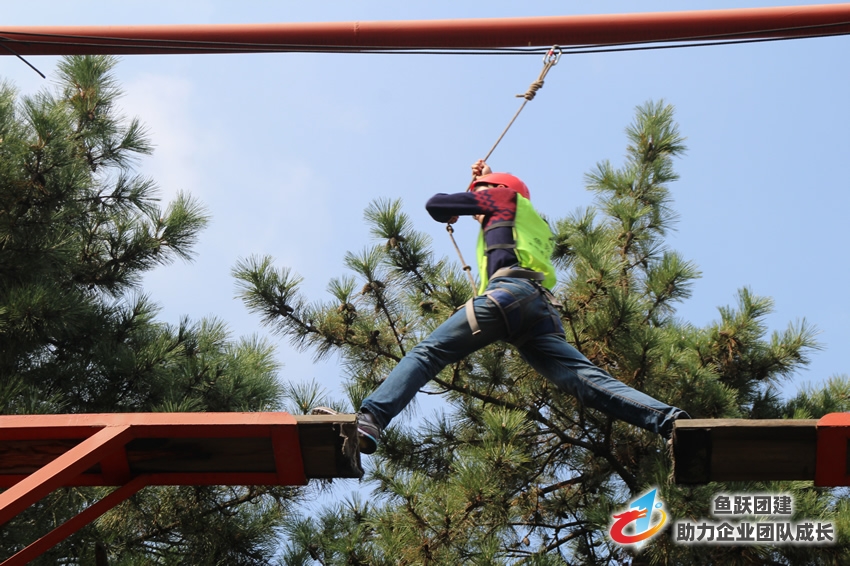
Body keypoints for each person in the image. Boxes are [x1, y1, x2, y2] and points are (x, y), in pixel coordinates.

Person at [321, 160, 689, 455]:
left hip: (508, 294)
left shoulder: (501, 200)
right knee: (585, 380)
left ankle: (370, 418)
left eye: (481, 196)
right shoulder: (530, 220)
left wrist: (464, 200)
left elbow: (436, 204)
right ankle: (670, 423)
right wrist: (478, 187)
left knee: (428, 353)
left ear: (496, 192)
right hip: (538, 308)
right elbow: (491, 218)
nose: (478, 208)